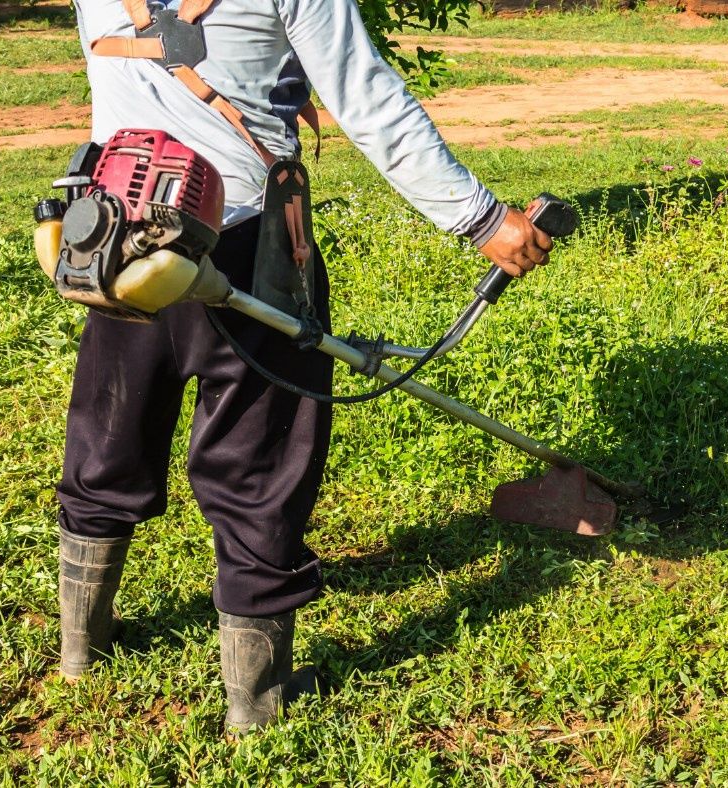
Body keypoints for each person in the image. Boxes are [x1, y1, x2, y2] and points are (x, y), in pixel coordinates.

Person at [56, 0, 552, 734]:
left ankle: (80, 651)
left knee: (108, 439)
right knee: (258, 474)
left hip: (112, 237)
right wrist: (481, 219)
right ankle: (256, 705)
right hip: (245, 245)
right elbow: (367, 97)